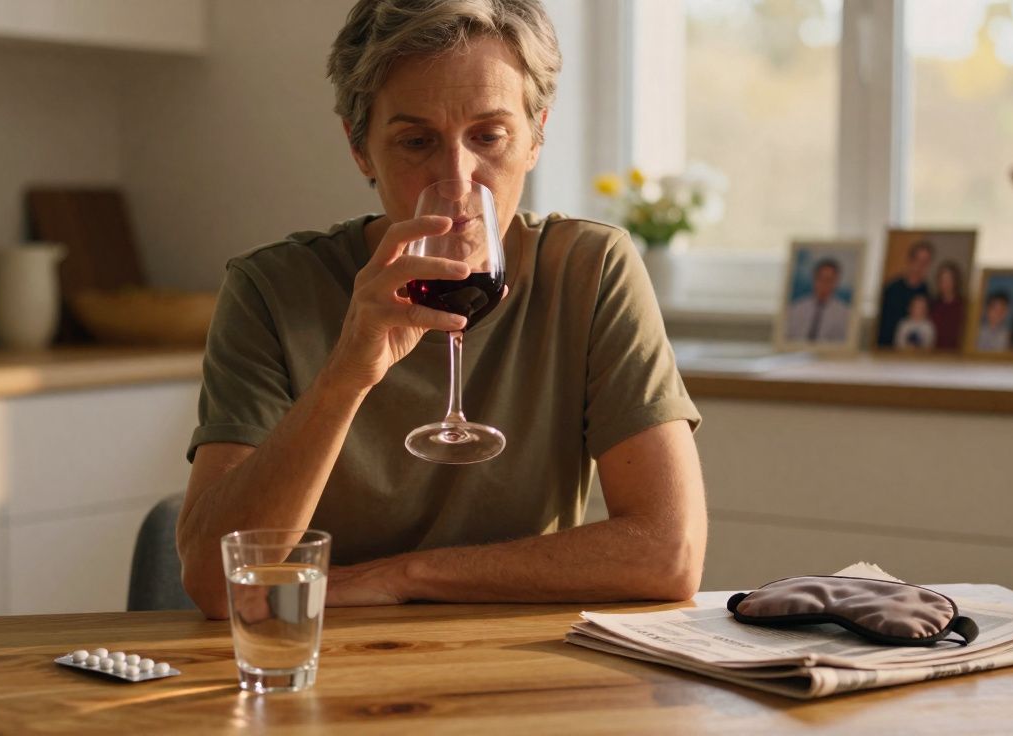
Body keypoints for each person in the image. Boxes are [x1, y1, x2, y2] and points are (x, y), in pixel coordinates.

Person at [176, 0, 706, 619]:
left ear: (536, 135)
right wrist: (347, 375)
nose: (457, 180)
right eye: (416, 141)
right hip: (329, 663)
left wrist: (407, 575)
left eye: (489, 136)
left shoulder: (591, 270)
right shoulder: (271, 289)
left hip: (526, 670)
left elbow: (668, 553)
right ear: (360, 149)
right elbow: (218, 584)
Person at [876, 239, 934, 347]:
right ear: (910, 261)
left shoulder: (928, 293)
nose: (920, 266)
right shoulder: (891, 289)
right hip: (887, 349)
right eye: (918, 260)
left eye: (925, 262)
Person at [783, 257, 850, 343]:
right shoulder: (796, 308)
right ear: (814, 279)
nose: (824, 284)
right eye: (821, 279)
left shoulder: (844, 313)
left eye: (829, 280)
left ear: (836, 282)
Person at [929, 261, 965, 350]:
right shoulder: (932, 305)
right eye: (942, 280)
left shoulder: (963, 306)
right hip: (934, 354)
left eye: (948, 279)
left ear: (955, 281)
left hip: (957, 355)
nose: (945, 284)